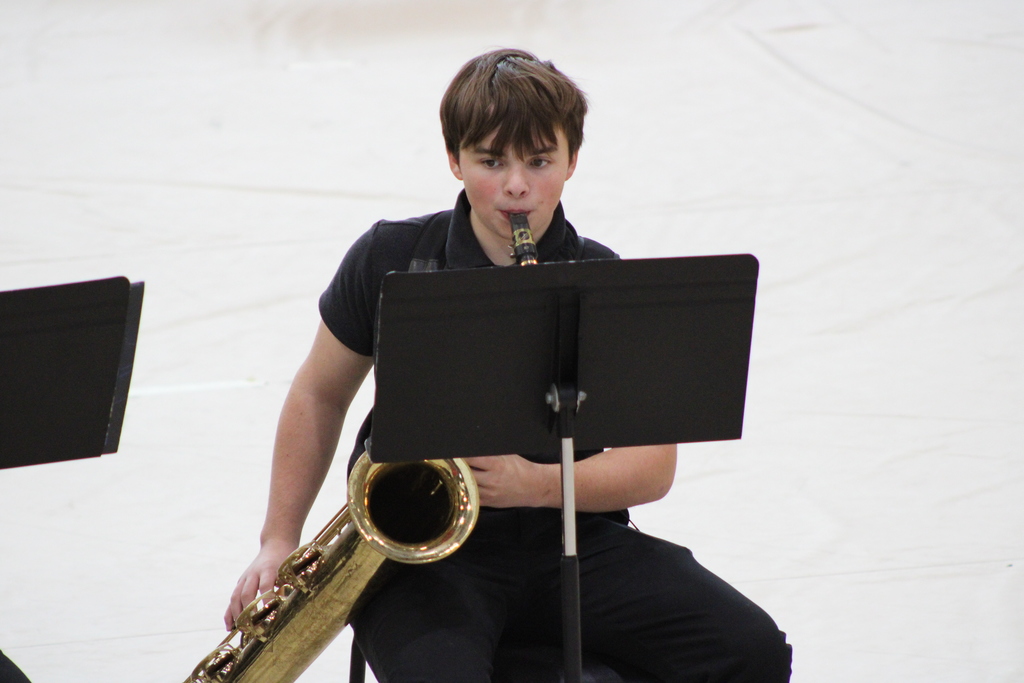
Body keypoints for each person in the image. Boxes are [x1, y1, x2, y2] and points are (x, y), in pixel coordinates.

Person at [225, 48, 792, 682]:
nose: (516, 186)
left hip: (574, 542)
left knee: (752, 651)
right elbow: (318, 395)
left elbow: (655, 464)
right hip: (423, 563)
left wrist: (535, 486)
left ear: (572, 161)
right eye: (491, 161)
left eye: (540, 161)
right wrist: (278, 539)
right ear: (455, 160)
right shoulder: (390, 256)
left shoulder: (604, 278)